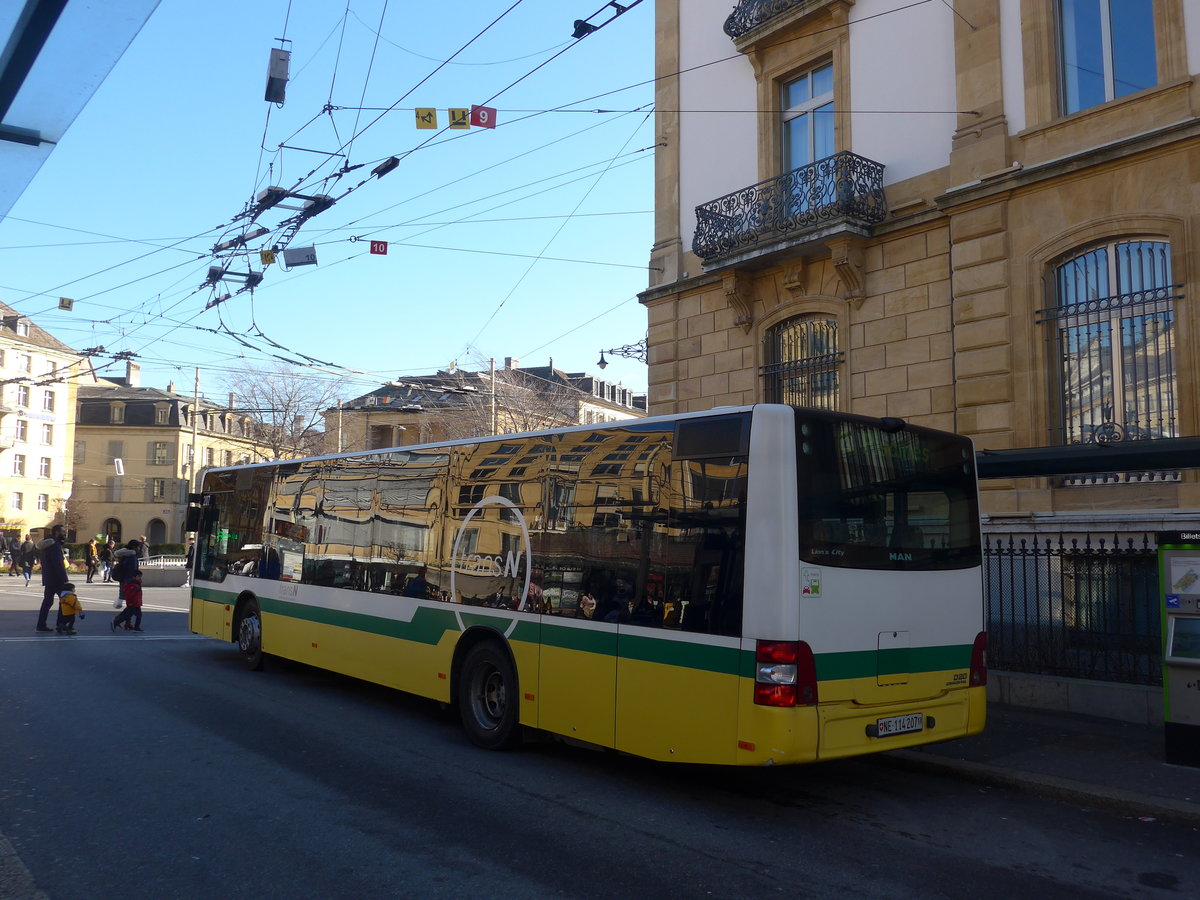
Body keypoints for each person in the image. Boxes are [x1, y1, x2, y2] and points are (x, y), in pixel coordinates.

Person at [34, 525, 69, 633]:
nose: (65, 534)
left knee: (47, 602)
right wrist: (64, 578)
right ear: (57, 532)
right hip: (57, 578)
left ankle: (41, 625)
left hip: (49, 578)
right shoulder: (54, 545)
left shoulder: (47, 544)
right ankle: (61, 624)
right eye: (63, 531)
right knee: (65, 600)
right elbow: (58, 563)